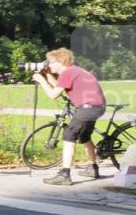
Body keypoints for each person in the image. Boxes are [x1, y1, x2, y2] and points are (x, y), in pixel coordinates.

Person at [31, 47, 106, 185]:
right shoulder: (74, 71)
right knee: (84, 136)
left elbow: (53, 95)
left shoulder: (67, 73)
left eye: (51, 62)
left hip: (87, 108)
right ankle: (93, 168)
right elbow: (60, 87)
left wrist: (41, 81)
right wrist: (48, 76)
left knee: (69, 136)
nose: (48, 64)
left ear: (61, 62)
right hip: (96, 107)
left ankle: (64, 175)